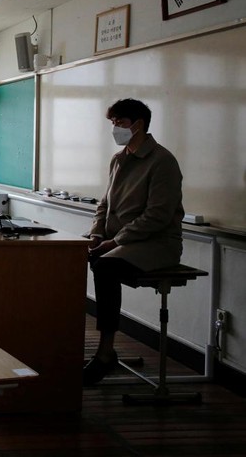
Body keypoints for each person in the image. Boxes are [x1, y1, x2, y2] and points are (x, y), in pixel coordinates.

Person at [83, 98, 184, 385]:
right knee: (82, 255)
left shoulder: (162, 161)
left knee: (105, 267)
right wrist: (96, 234)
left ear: (138, 125)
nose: (115, 128)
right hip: (121, 242)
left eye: (120, 123)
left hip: (157, 245)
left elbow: (157, 216)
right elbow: (104, 204)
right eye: (113, 123)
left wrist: (115, 241)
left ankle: (105, 352)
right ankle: (79, 345)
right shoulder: (119, 159)